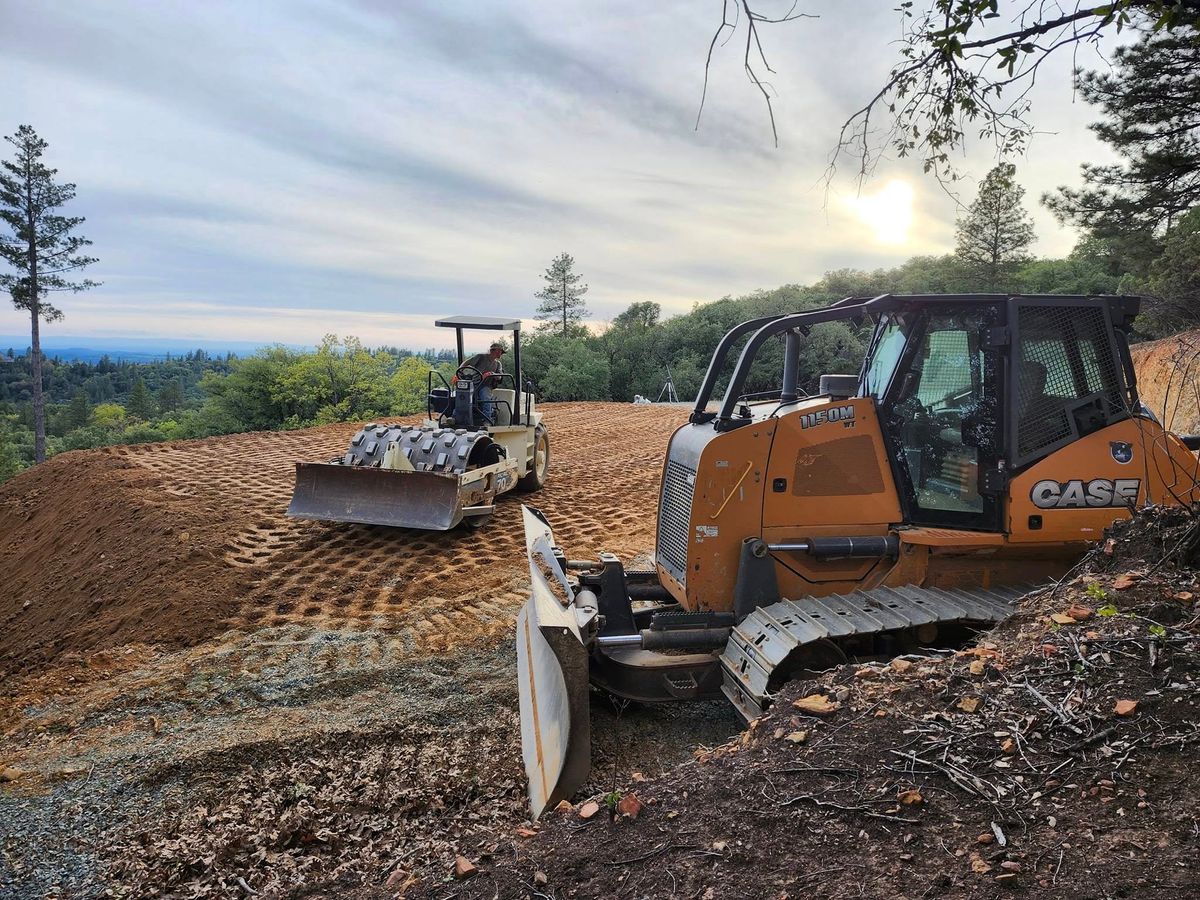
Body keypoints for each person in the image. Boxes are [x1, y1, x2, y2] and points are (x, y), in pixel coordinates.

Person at [461, 341, 505, 421]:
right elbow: (466, 363)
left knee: (486, 397)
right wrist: (459, 371)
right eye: (499, 351)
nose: (500, 353)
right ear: (493, 351)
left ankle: (487, 420)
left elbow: (499, 377)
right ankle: (457, 417)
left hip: (485, 385)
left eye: (501, 352)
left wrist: (491, 374)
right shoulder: (481, 357)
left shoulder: (498, 364)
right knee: (462, 395)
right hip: (474, 383)